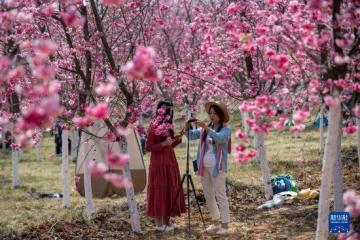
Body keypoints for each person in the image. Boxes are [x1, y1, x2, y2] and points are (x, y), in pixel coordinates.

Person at [186, 101, 231, 236]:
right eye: (210, 113)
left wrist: (205, 127)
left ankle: (225, 225)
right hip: (203, 166)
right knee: (208, 195)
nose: (211, 116)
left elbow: (219, 139)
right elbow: (190, 136)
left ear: (220, 115)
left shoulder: (225, 129)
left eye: (214, 113)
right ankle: (216, 222)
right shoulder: (206, 129)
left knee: (220, 195)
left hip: (218, 167)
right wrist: (187, 126)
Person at [146, 101, 186, 232]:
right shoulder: (153, 126)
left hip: (170, 162)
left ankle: (166, 222)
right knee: (159, 190)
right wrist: (163, 144)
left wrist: (178, 138)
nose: (169, 114)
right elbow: (148, 147)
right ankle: (159, 224)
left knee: (169, 190)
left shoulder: (168, 125)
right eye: (167, 111)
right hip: (159, 164)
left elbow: (170, 144)